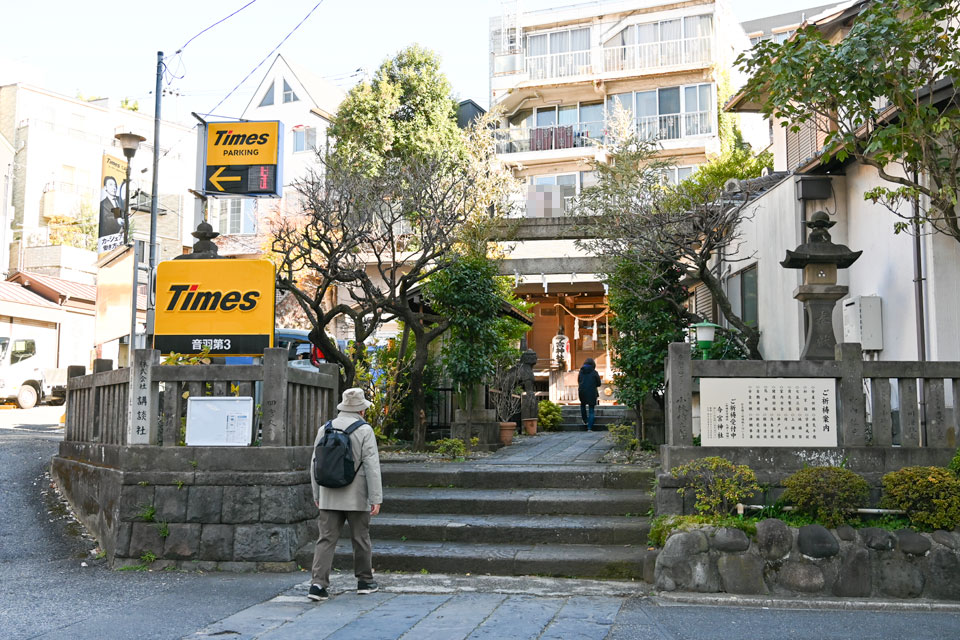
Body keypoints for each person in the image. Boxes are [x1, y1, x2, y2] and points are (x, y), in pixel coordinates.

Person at [308, 387, 382, 602]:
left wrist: (317, 494)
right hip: (357, 496)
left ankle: (318, 585)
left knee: (326, 539)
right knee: (361, 538)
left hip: (328, 494)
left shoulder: (325, 428)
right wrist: (376, 498)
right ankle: (365, 581)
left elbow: (314, 464)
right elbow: (372, 466)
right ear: (361, 410)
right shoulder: (364, 430)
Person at [578, 357, 602, 431]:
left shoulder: (581, 372)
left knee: (583, 405)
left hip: (582, 391)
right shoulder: (594, 372)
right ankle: (589, 427)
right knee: (591, 409)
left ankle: (585, 420)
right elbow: (599, 383)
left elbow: (579, 381)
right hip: (592, 392)